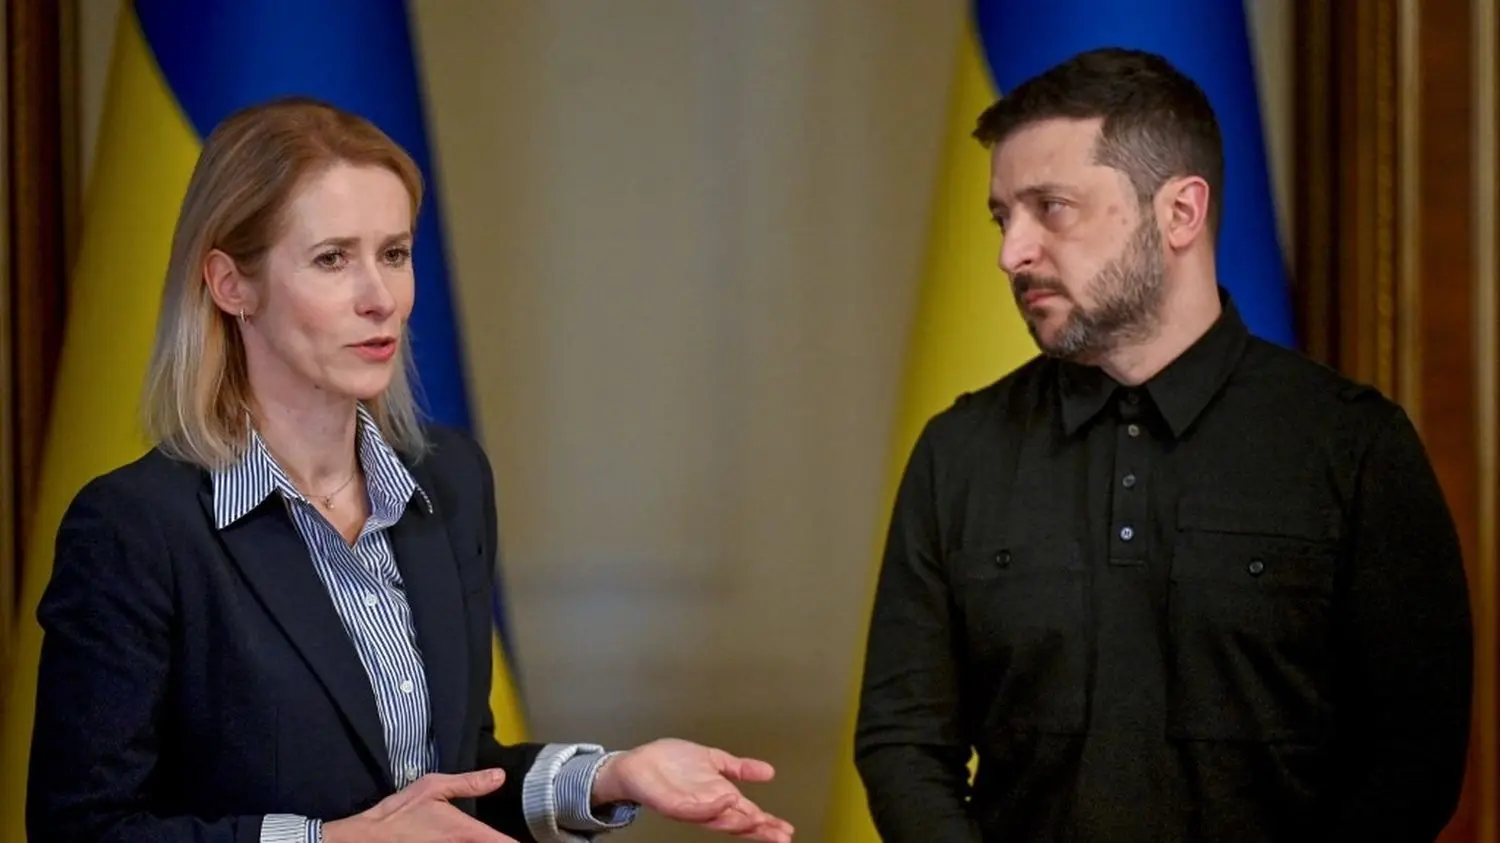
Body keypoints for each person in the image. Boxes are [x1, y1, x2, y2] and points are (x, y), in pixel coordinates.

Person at [25, 97, 795, 843]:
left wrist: (610, 775)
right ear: (232, 285)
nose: (381, 298)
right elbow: (81, 827)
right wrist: (329, 841)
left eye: (394, 254)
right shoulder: (135, 528)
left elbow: (457, 781)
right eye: (332, 259)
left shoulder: (450, 482)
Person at [853, 47, 1473, 843]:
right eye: (1004, 217)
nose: (1013, 252)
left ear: (1180, 212)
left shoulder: (1354, 444)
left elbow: (1414, 757)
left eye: (1052, 208)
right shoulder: (959, 451)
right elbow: (904, 740)